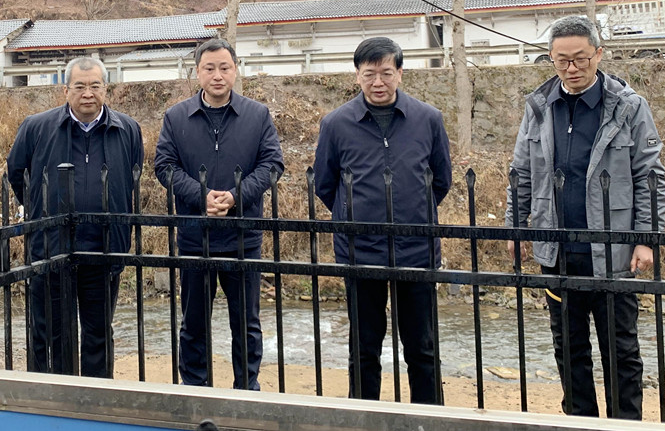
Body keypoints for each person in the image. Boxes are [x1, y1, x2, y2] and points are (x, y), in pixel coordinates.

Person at [505, 15, 665, 419]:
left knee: (621, 350)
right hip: (557, 251)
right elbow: (521, 172)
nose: (572, 68)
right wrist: (516, 226)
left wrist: (646, 238)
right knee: (568, 348)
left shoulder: (628, 106)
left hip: (613, 252)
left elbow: (650, 176)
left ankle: (625, 426)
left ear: (598, 54)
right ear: (550, 57)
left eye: (580, 58)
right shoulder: (539, 106)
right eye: (562, 60)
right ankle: (579, 422)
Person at [313, 36, 452, 404]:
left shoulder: (428, 119)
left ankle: (428, 418)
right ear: (357, 75)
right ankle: (364, 417)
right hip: (360, 252)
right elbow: (325, 184)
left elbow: (441, 180)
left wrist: (414, 213)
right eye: (369, 74)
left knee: (422, 348)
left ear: (400, 73)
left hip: (417, 251)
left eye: (386, 73)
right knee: (364, 348)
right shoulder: (336, 124)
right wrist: (354, 215)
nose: (378, 82)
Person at [155, 38, 284, 390]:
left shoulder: (257, 115)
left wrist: (235, 197)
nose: (217, 75)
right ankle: (196, 388)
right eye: (209, 68)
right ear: (197, 72)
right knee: (194, 322)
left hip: (244, 236)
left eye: (224, 67)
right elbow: (164, 166)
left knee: (247, 323)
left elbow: (272, 164)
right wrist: (202, 197)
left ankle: (247, 388)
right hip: (195, 237)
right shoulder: (176, 116)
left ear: (235, 70)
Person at [7, 57, 144, 377]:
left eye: (95, 85)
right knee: (49, 334)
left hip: (104, 250)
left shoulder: (127, 129)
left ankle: (95, 397)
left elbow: (132, 174)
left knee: (99, 334)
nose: (87, 93)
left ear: (106, 89)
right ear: (65, 90)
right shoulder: (37, 127)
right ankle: (53, 396)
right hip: (50, 250)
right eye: (79, 86)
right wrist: (40, 212)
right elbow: (17, 174)